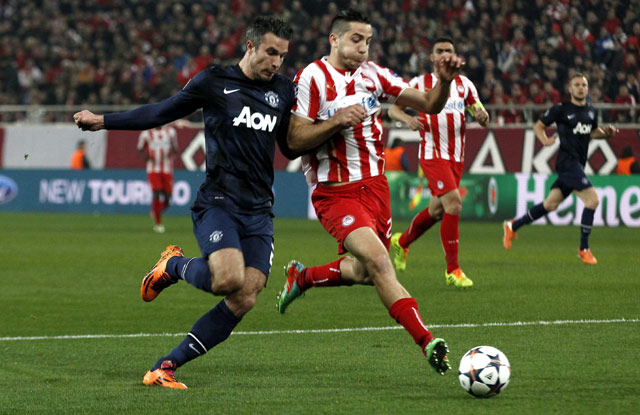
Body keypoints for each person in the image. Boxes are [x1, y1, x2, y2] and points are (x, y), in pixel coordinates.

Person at [73, 16, 296, 389]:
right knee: (228, 279)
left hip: (259, 209)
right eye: (271, 52)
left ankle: (166, 366)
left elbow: (290, 145)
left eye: (283, 56)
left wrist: (335, 125)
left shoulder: (283, 91)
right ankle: (173, 266)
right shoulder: (214, 81)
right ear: (251, 46)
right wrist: (104, 120)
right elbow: (162, 111)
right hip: (219, 202)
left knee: (246, 295)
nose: (276, 62)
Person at [277, 8, 464, 376]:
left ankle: (304, 277)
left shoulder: (373, 75)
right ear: (334, 39)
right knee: (380, 262)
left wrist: (443, 82)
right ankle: (427, 341)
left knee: (365, 272)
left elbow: (429, 104)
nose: (363, 47)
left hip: (376, 190)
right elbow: (294, 141)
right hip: (336, 193)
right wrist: (336, 121)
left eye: (368, 41)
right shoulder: (312, 78)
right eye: (356, 39)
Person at [387, 37, 490, 288]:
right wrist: (407, 120)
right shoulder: (419, 83)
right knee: (454, 203)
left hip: (456, 158)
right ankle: (453, 270)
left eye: (449, 51)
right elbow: (393, 109)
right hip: (432, 154)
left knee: (436, 211)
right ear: (432, 58)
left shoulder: (465, 84)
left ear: (454, 56)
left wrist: (482, 115)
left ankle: (402, 242)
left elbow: (478, 110)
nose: (444, 54)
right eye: (440, 50)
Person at [502, 73, 619, 265]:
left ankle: (513, 225)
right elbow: (539, 126)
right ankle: (583, 249)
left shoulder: (591, 111)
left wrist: (607, 134)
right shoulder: (561, 109)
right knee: (592, 200)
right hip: (567, 163)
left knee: (550, 204)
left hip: (578, 163)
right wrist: (545, 140)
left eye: (584, 85)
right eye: (577, 85)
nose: (580, 88)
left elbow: (592, 132)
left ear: (587, 89)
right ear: (570, 89)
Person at [137, 124, 179, 233]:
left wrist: (173, 151)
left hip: (167, 169)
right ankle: (158, 224)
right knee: (157, 192)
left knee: (167, 199)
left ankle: (155, 211)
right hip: (153, 169)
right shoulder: (146, 133)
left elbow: (176, 148)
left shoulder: (171, 132)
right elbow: (140, 149)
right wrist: (146, 157)